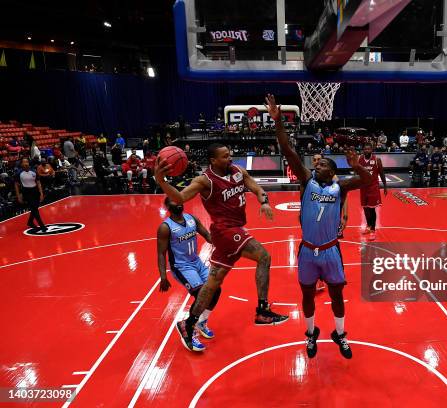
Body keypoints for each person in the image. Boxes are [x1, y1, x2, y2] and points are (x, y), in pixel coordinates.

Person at [265, 94, 371, 359]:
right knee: (308, 296)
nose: (317, 166)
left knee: (336, 295)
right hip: (307, 251)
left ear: (332, 172)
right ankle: (311, 334)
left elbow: (367, 181)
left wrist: (357, 166)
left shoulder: (341, 187)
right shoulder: (306, 182)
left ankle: (340, 335)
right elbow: (288, 150)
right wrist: (278, 122)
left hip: (330, 250)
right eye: (317, 164)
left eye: (323, 164)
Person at [155, 143, 288, 352]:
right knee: (264, 257)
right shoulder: (204, 181)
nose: (230, 158)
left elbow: (255, 187)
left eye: (230, 154)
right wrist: (161, 180)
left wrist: (264, 201)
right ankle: (262, 310)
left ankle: (188, 324)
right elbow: (180, 198)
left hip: (232, 232)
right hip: (225, 231)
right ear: (213, 160)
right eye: (225, 156)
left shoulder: (238, 172)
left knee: (212, 285)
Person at [157, 197, 218, 352]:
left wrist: (221, 244)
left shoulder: (191, 219)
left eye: (178, 199)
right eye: (172, 202)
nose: (177, 203)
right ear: (168, 207)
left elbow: (207, 236)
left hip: (196, 262)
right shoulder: (166, 227)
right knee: (200, 294)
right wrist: (163, 276)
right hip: (182, 266)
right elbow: (161, 253)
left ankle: (201, 321)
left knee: (215, 289)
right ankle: (188, 329)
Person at [358, 142, 387, 240]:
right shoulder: (360, 159)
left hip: (373, 188)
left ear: (371, 150)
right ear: (363, 150)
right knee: (365, 208)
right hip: (363, 187)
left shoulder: (377, 160)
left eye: (368, 149)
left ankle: (373, 230)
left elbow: (382, 173)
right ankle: (368, 226)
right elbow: (357, 173)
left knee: (372, 209)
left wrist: (385, 186)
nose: (367, 151)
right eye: (365, 149)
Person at [14, 158, 46, 231]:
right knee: (34, 209)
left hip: (35, 191)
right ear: (21, 164)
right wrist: (18, 196)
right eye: (24, 162)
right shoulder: (19, 173)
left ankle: (30, 222)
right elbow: (16, 185)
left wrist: (41, 193)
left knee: (35, 208)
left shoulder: (34, 171)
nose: (26, 163)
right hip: (26, 191)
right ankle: (42, 225)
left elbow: (38, 183)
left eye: (27, 162)